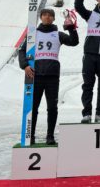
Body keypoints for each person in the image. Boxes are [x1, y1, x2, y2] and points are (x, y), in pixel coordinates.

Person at [19, 8, 79, 144]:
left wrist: (71, 28)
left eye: (50, 15)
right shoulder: (33, 34)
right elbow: (22, 51)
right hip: (36, 75)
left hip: (52, 76)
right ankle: (30, 135)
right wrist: (25, 66)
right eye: (45, 15)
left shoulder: (58, 34)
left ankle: (50, 135)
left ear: (53, 18)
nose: (47, 17)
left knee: (52, 107)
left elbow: (74, 42)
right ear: (40, 17)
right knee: (33, 106)